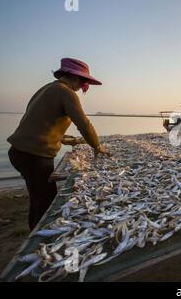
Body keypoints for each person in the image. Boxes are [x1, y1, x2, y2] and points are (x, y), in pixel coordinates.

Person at [7, 58, 110, 230]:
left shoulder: (48, 88)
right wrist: (97, 146)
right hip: (34, 155)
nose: (82, 86)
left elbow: (40, 118)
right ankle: (39, 242)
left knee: (38, 197)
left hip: (19, 151)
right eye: (83, 81)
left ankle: (35, 231)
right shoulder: (66, 92)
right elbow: (83, 124)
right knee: (46, 201)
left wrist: (61, 138)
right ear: (74, 77)